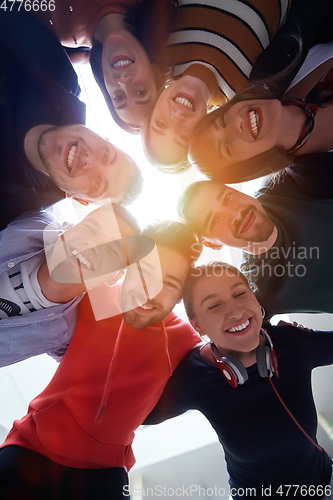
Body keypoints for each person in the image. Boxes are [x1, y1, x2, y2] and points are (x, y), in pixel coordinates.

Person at [0, 221, 202, 499]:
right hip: (31, 446)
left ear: (180, 297)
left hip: (104, 472)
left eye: (168, 284)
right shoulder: (91, 295)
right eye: (145, 273)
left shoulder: (186, 341)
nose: (149, 290)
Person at [144, 262, 333, 500]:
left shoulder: (292, 343)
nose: (235, 312)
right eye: (214, 305)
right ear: (197, 325)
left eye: (240, 293)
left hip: (324, 485)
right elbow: (131, 417)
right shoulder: (193, 376)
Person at [142, 0, 333, 171]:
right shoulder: (253, 88)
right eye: (183, 136)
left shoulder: (158, 47)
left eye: (160, 123)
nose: (176, 117)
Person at [0, 8, 143, 229]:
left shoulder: (14, 212)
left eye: (97, 184)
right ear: (103, 136)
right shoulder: (56, 73)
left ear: (77, 198)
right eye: (106, 154)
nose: (89, 161)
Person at [0, 204, 153, 367]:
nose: (93, 245)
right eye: (91, 228)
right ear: (69, 227)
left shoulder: (65, 335)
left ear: (115, 276)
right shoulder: (34, 224)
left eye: (112, 250)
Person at [177, 176, 333, 319]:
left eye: (227, 197)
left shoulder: (281, 182)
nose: (236, 214)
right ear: (212, 244)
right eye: (215, 221)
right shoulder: (253, 291)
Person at [189, 40, 333, 186]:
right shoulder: (321, 180)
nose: (237, 122)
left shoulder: (276, 61)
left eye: (223, 120)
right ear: (249, 167)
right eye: (228, 146)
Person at [26, 0, 173, 132]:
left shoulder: (64, 29)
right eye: (141, 92)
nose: (123, 81)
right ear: (155, 73)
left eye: (118, 97)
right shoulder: (145, 4)